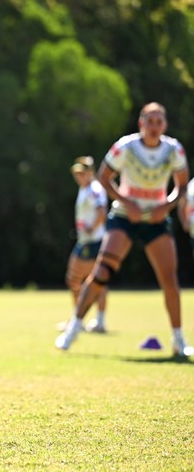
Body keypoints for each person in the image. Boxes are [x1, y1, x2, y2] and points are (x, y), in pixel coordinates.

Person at [56, 102, 193, 356]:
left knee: (169, 279)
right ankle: (73, 329)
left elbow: (181, 185)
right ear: (141, 123)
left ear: (165, 125)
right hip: (124, 217)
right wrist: (127, 201)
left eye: (159, 121)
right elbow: (105, 177)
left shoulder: (174, 150)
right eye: (149, 121)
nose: (154, 126)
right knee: (102, 271)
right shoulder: (126, 147)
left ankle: (178, 339)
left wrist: (169, 205)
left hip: (156, 219)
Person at [58, 156, 109, 333]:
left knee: (88, 280)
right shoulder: (85, 188)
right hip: (86, 241)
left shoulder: (94, 189)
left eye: (83, 173)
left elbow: (102, 211)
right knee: (86, 280)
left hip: (93, 242)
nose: (79, 176)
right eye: (77, 173)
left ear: (91, 172)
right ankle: (82, 319)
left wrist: (91, 227)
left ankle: (90, 321)